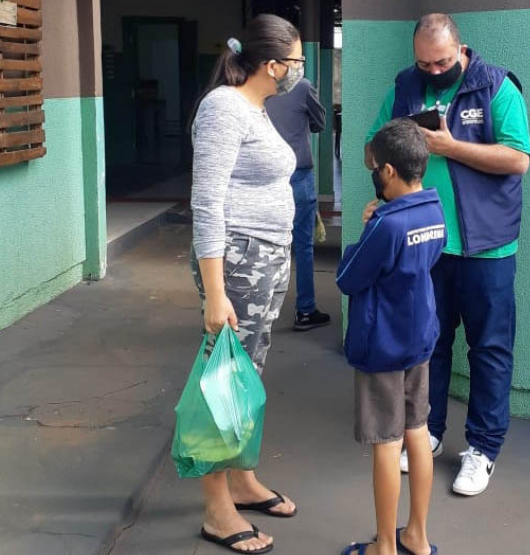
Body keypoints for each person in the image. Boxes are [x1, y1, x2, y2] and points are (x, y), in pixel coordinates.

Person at [365, 13, 530, 497]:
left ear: (461, 49)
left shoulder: (496, 86)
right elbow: (370, 151)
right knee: (428, 346)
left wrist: (450, 147)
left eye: (441, 62)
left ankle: (482, 449)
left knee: (490, 350)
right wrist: (386, 175)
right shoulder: (405, 86)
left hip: (489, 247)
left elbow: (518, 159)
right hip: (425, 245)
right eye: (423, 63)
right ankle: (428, 432)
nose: (433, 71)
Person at [189, 14, 306, 554]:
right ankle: (217, 509)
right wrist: (216, 292)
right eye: (297, 62)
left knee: (248, 374)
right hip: (237, 261)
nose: (298, 72)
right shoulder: (223, 108)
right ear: (273, 64)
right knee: (225, 380)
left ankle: (241, 477)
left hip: (265, 258)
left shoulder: (255, 108)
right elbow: (207, 203)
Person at [338, 119, 445, 555]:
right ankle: (416, 536)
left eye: (373, 167)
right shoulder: (433, 210)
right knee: (417, 430)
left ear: (387, 172)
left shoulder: (385, 225)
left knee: (386, 441)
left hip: (382, 345)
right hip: (419, 338)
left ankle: (384, 545)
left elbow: (349, 277)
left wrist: (366, 229)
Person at [265, 77, 331, 331]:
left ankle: (261, 312)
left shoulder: (255, 83)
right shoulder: (302, 86)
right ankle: (305, 310)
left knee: (267, 242)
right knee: (303, 246)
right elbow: (320, 122)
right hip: (298, 174)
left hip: (267, 175)